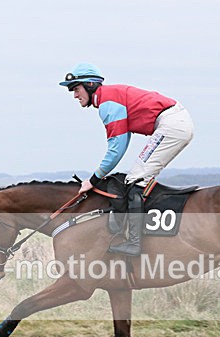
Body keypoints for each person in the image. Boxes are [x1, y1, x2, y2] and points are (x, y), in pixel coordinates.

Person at [60, 62, 194, 256]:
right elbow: (121, 143)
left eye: (76, 89)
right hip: (174, 122)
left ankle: (134, 243)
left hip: (171, 125)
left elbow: (116, 150)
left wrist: (93, 180)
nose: (74, 95)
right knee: (136, 177)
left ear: (90, 85)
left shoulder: (107, 103)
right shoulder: (109, 98)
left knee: (135, 179)